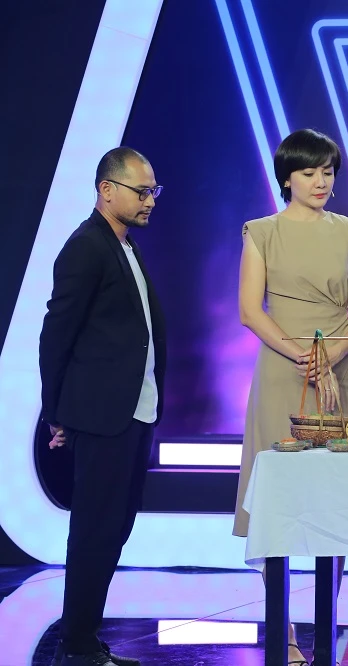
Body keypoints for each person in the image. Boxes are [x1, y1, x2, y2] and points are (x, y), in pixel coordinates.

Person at [233, 128, 348, 666]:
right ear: (287, 178)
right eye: (309, 172)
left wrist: (329, 356)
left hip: (340, 368)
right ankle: (284, 631)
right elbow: (251, 310)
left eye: (328, 172)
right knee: (278, 496)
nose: (321, 181)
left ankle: (326, 624)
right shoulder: (261, 232)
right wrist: (303, 355)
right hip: (282, 366)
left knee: (336, 496)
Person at [40, 146, 166, 666]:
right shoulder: (86, 247)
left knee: (115, 527)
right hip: (101, 416)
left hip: (134, 412)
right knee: (95, 529)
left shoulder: (123, 246)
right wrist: (56, 413)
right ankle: (76, 643)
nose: (150, 200)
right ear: (106, 190)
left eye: (154, 191)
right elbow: (56, 334)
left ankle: (85, 638)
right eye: (142, 191)